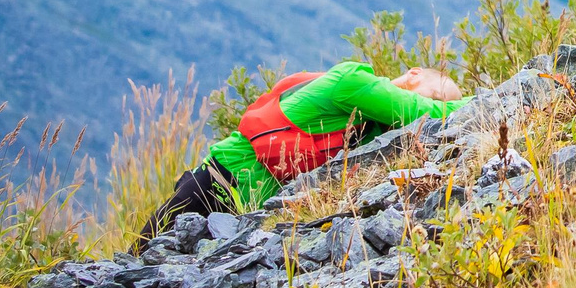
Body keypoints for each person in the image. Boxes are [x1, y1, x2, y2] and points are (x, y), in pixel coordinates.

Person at [138, 62, 465, 236]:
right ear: (413, 75)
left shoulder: (376, 131)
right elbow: (417, 111)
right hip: (216, 183)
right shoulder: (354, 81)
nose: (430, 104)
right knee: (140, 268)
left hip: (246, 215)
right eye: (433, 95)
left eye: (438, 102)